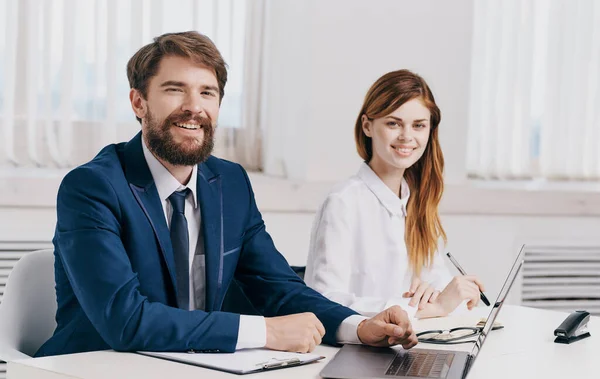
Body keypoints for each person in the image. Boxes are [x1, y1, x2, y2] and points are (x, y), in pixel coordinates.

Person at [35, 32, 418, 357]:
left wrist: (359, 326)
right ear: (139, 102)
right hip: (93, 368)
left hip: (192, 367)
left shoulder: (230, 183)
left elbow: (278, 288)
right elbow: (125, 320)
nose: (194, 107)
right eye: (175, 90)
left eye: (207, 93)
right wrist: (265, 333)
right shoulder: (92, 188)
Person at [304, 70, 485, 320]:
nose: (407, 137)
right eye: (393, 123)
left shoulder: (415, 201)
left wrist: (457, 291)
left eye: (419, 125)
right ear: (367, 126)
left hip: (411, 341)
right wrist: (420, 307)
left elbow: (437, 280)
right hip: (356, 349)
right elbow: (325, 300)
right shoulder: (343, 201)